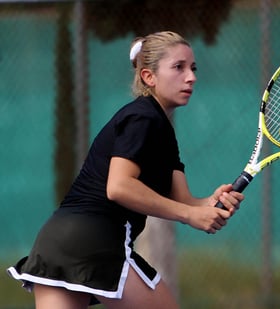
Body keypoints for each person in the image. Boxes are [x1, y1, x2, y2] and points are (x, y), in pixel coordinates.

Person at [7, 31, 244, 309]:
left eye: (193, 68)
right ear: (148, 77)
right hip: (95, 240)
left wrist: (211, 204)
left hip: (56, 241)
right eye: (178, 67)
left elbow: (184, 202)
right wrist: (192, 214)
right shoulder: (143, 118)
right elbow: (119, 187)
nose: (191, 77)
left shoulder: (160, 129)